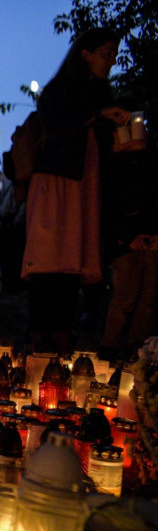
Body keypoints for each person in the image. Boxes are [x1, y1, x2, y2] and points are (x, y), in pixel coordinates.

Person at [23, 27, 130, 354]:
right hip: (58, 180)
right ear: (85, 53)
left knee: (73, 252)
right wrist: (96, 116)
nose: (111, 61)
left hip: (85, 179)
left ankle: (61, 328)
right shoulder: (61, 90)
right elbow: (56, 125)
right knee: (49, 252)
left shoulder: (101, 91)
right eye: (106, 53)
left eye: (114, 55)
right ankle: (41, 328)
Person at [99, 99, 156, 359]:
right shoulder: (112, 169)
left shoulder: (148, 163)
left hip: (151, 240)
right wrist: (124, 239)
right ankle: (109, 349)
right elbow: (109, 208)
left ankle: (138, 351)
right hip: (126, 243)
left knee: (148, 299)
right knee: (125, 297)